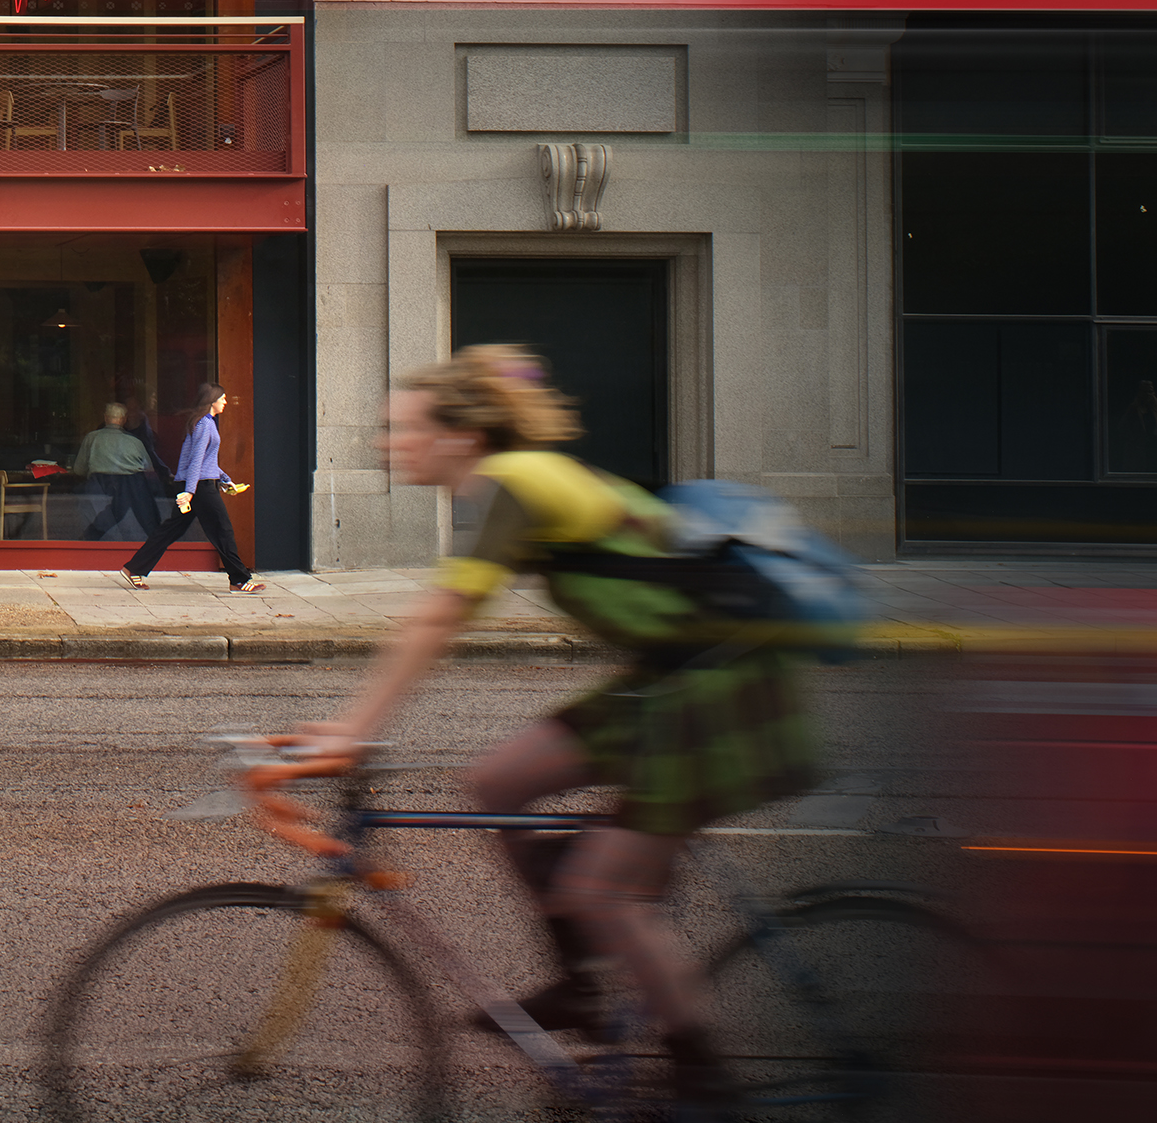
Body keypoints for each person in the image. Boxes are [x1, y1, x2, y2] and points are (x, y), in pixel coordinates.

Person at [293, 344, 825, 1107]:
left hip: (721, 685)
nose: (386, 442)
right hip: (667, 680)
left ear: (459, 437)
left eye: (401, 428)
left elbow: (443, 613)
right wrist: (356, 725)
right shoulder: (511, 482)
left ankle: (702, 1077)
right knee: (498, 781)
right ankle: (583, 988)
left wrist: (354, 729)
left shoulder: (507, 483)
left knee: (601, 890)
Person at [124, 382, 263, 591]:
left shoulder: (204, 423)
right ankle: (239, 579)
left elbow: (207, 460)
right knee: (222, 530)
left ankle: (134, 569)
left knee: (170, 530)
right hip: (200, 487)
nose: (225, 402)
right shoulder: (204, 425)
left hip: (199, 483)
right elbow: (196, 460)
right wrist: (190, 492)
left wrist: (224, 479)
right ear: (212, 401)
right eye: (222, 398)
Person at [75, 397, 160, 542]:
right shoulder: (134, 442)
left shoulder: (91, 438)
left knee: (119, 506)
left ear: (106, 418)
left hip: (100, 483)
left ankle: (90, 536)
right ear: (124, 419)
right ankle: (157, 538)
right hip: (133, 484)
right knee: (137, 506)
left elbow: (79, 470)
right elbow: (149, 469)